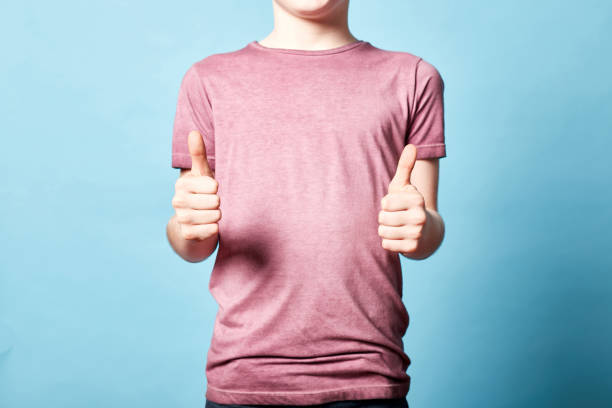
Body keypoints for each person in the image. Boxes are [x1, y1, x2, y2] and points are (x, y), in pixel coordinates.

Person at [166, 0, 446, 407]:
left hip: (369, 372)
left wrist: (420, 226)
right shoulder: (208, 80)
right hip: (245, 373)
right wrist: (187, 227)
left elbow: (428, 228)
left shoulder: (413, 78)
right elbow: (191, 241)